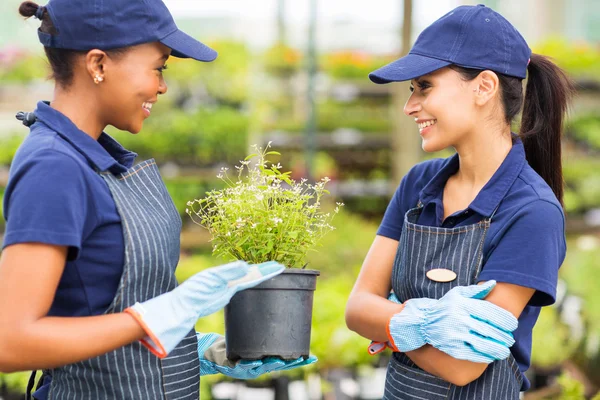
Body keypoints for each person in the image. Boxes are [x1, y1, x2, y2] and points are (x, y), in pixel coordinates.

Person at [0, 1, 315, 399]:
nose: (163, 85)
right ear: (98, 64)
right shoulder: (55, 168)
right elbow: (10, 341)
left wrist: (193, 348)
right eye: (159, 67)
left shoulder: (96, 158)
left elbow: (98, 304)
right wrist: (151, 320)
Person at [345, 4, 573, 400]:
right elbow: (357, 309)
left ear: (484, 87)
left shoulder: (532, 212)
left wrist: (391, 325)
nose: (409, 105)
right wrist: (418, 324)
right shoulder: (418, 184)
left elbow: (463, 366)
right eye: (411, 90)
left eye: (424, 86)